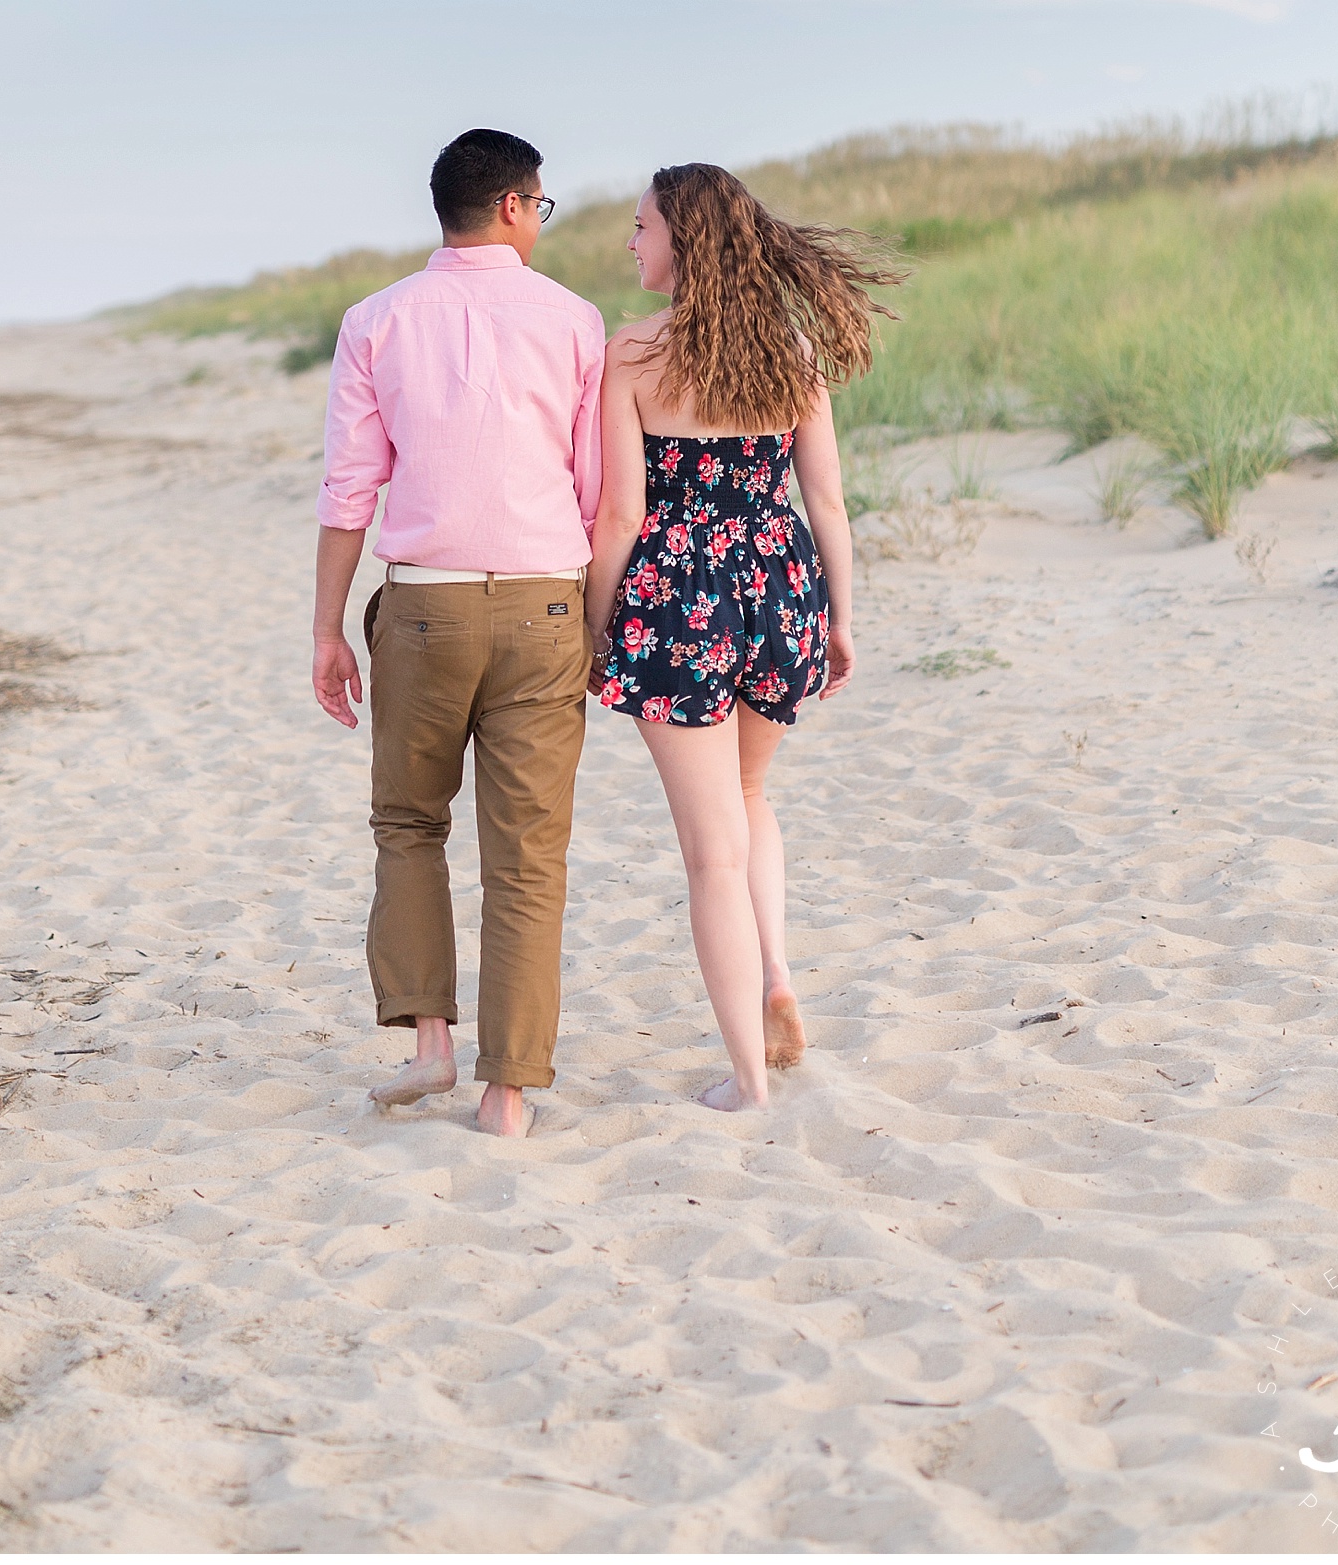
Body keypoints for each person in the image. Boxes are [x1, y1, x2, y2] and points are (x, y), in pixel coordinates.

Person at [583, 163, 900, 1112]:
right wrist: (839, 617)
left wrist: (596, 630)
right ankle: (775, 971)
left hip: (678, 603)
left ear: (681, 239)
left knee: (709, 853)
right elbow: (829, 499)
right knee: (751, 791)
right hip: (780, 590)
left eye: (640, 227)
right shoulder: (790, 355)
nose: (630, 242)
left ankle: (749, 1080)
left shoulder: (632, 354)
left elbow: (618, 518)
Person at [312, 128, 605, 1139]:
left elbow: (349, 489)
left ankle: (430, 1039)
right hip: (544, 604)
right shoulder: (574, 319)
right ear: (519, 205)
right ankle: (508, 1093)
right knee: (527, 856)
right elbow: (597, 489)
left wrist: (326, 629)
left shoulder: (376, 318)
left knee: (409, 825)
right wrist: (595, 624)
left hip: (424, 605)